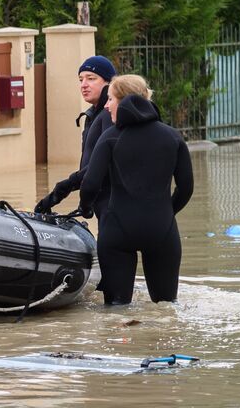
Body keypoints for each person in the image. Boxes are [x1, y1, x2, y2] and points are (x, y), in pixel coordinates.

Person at [78, 75, 193, 305]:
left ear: (124, 101)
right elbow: (186, 188)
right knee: (165, 308)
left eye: (110, 99)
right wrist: (164, 212)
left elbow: (90, 184)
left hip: (117, 231)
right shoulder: (172, 137)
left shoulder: (109, 137)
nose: (107, 105)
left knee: (117, 310)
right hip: (162, 230)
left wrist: (86, 207)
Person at [34, 55, 115, 217]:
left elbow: (103, 165)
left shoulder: (109, 115)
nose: (84, 85)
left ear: (109, 82)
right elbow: (91, 168)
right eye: (80, 79)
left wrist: (64, 188)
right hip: (102, 203)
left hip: (112, 204)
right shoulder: (94, 115)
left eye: (91, 78)